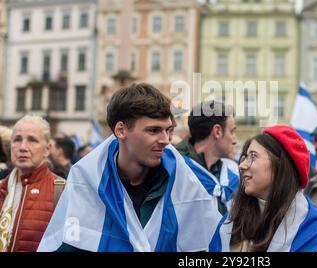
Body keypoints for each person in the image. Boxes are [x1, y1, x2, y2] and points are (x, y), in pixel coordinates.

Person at [38, 83, 222, 252]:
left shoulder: (183, 180)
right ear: (121, 130)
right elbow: (67, 244)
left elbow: (205, 243)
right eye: (153, 130)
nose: (166, 140)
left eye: (168, 130)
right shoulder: (86, 180)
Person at [209, 125, 317, 252]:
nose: (242, 165)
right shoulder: (230, 223)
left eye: (253, 157)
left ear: (280, 166)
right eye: (244, 157)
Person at [0, 115, 65, 252]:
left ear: (47, 149)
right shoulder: (2, 187)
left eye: (32, 140)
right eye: (17, 139)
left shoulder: (62, 190)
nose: (23, 147)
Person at [176, 100, 239, 214]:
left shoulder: (231, 172)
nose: (235, 140)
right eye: (232, 132)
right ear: (217, 131)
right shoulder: (176, 169)